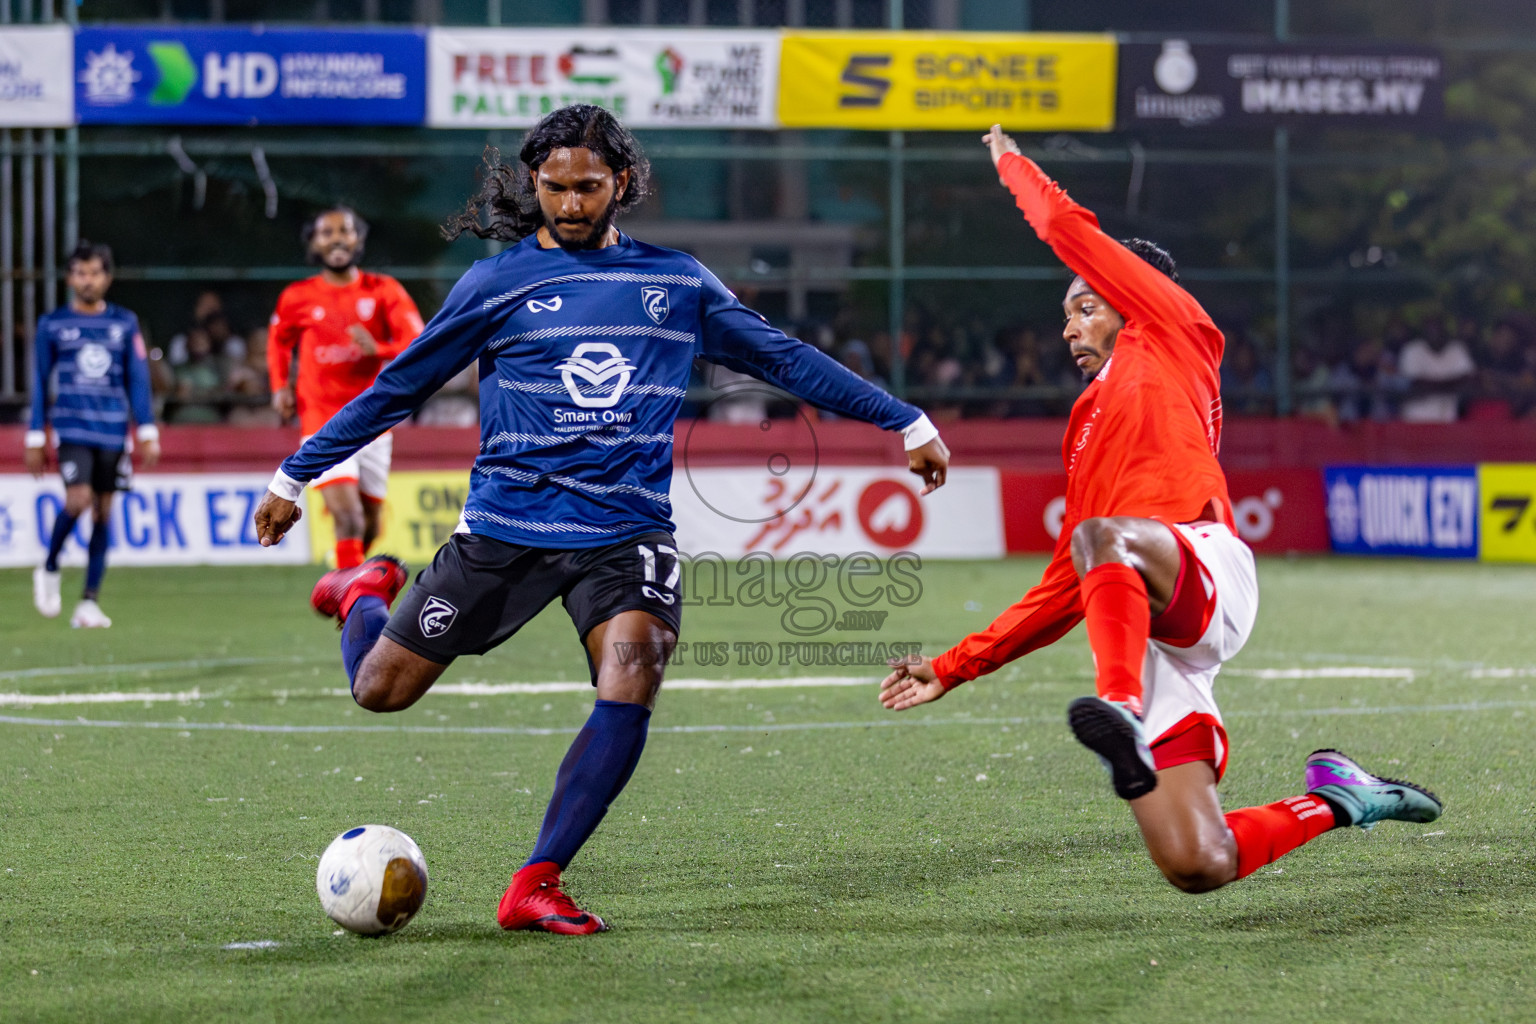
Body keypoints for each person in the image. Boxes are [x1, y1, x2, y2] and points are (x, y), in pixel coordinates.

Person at [251, 104, 951, 934]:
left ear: (622, 182)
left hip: (627, 534)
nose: (572, 205)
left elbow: (782, 356)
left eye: (589, 187)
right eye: (554, 189)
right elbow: (399, 388)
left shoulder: (677, 282)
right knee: (379, 692)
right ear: (534, 186)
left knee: (635, 673)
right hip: (505, 531)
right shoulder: (496, 283)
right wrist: (295, 474)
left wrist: (903, 419)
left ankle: (536, 880)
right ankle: (363, 591)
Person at [878, 126, 1441, 896]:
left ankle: (1120, 712)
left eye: (1083, 305)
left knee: (1103, 537)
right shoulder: (1083, 424)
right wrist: (952, 665)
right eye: (1066, 315)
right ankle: (1344, 796)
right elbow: (1062, 589)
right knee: (1197, 861)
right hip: (1151, 629)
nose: (1069, 327)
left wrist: (1010, 162)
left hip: (1201, 566)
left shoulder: (1172, 329)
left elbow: (1063, 227)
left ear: (1132, 291)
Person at [267, 206, 425, 569]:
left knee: (370, 524)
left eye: (345, 230)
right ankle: (353, 602)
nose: (336, 238)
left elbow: (420, 342)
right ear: (314, 242)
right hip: (322, 418)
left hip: (373, 419)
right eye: (327, 232)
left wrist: (379, 349)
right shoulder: (298, 296)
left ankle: (347, 576)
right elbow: (278, 342)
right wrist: (280, 386)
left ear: (359, 239)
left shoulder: (384, 290)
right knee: (348, 515)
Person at [25, 240, 160, 628]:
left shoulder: (124, 323)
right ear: (70, 278)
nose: (88, 280)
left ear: (108, 277)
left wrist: (147, 427)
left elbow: (137, 379)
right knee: (78, 499)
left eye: (95, 272)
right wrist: (36, 435)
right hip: (72, 428)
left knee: (104, 511)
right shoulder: (53, 324)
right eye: (81, 273)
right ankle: (49, 567)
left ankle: (88, 602)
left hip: (114, 431)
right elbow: (39, 379)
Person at [1398, 314, 1475, 423]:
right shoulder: (1412, 350)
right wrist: (1451, 384)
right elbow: (1415, 382)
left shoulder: (1457, 349)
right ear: (1423, 332)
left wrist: (1433, 385)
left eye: (1438, 328)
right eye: (1430, 329)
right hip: (1416, 419)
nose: (1434, 333)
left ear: (1445, 331)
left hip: (1449, 420)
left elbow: (1467, 379)